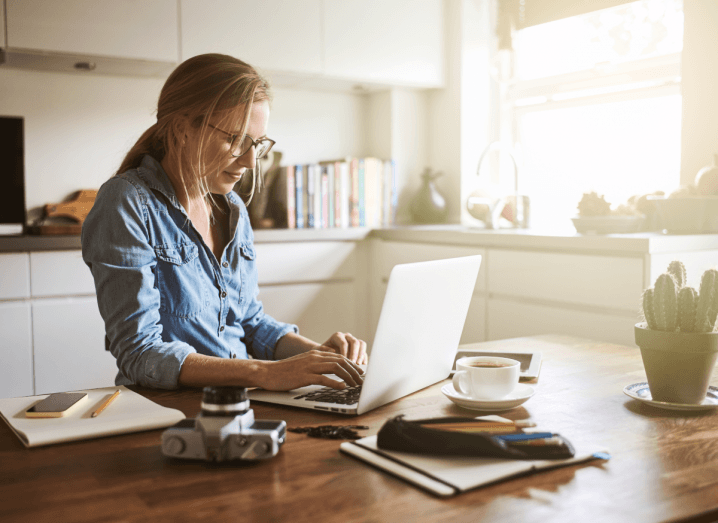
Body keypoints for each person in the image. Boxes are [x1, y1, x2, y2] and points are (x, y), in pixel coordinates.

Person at [82, 53, 367, 391]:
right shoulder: (127, 202)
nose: (249, 160)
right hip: (169, 409)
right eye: (235, 140)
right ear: (183, 127)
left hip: (244, 399)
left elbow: (250, 323)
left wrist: (321, 357)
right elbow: (139, 352)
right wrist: (264, 373)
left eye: (256, 145)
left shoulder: (232, 208)